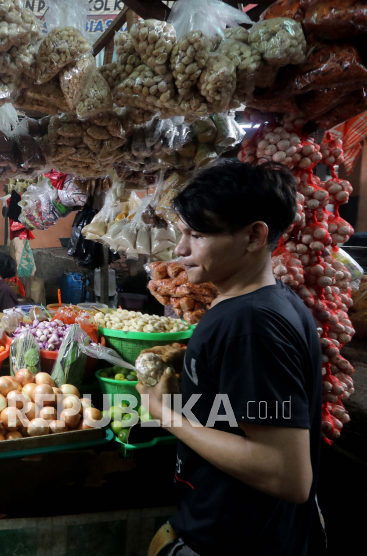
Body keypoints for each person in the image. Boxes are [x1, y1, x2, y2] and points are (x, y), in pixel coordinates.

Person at [137, 161, 323, 556]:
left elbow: (288, 475)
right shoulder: (260, 303)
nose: (182, 249)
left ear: (254, 236)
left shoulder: (251, 324)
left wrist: (167, 416)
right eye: (182, 233)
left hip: (235, 539)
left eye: (197, 235)